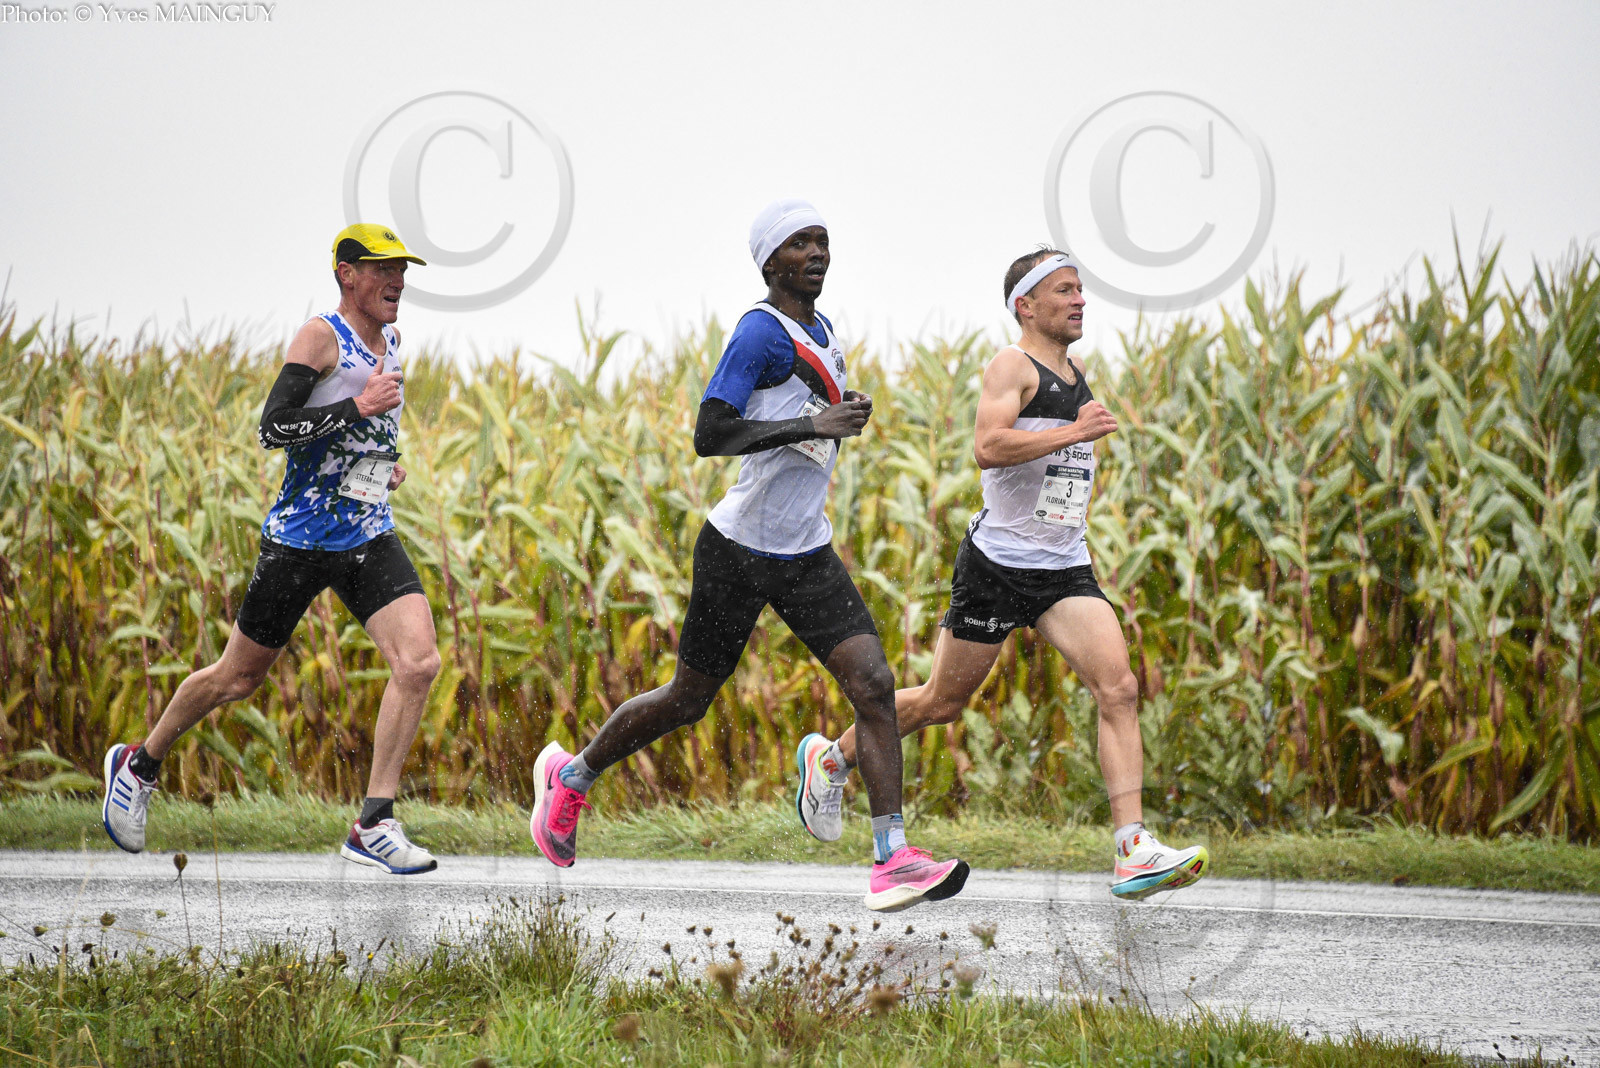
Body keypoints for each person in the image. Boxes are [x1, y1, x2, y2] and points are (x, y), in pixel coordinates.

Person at [529, 199, 968, 912]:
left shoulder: (822, 330)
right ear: (770, 263)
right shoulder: (759, 332)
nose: (817, 253)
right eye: (800, 244)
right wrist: (813, 424)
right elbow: (711, 432)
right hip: (737, 552)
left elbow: (794, 416)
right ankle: (572, 777)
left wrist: (835, 415)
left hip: (806, 552)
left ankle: (893, 857)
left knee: (874, 684)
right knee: (688, 699)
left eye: (823, 241)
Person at [792, 248, 1209, 901]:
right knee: (942, 703)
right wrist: (1073, 432)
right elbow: (988, 447)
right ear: (1027, 305)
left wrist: (1073, 459)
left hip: (1063, 567)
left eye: (1080, 290)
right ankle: (831, 758)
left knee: (1120, 688)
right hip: (998, 568)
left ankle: (1133, 850)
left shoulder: (1076, 374)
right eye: (1065, 290)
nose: (1079, 300)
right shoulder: (1011, 366)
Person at [100, 224, 443, 875]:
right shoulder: (321, 337)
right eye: (383, 268)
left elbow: (359, 433)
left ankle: (374, 823)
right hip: (299, 541)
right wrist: (359, 409)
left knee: (419, 662)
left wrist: (382, 464)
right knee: (238, 678)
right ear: (347, 274)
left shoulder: (392, 341)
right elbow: (274, 428)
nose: (398, 281)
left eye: (402, 270)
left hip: (366, 532)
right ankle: (139, 764)